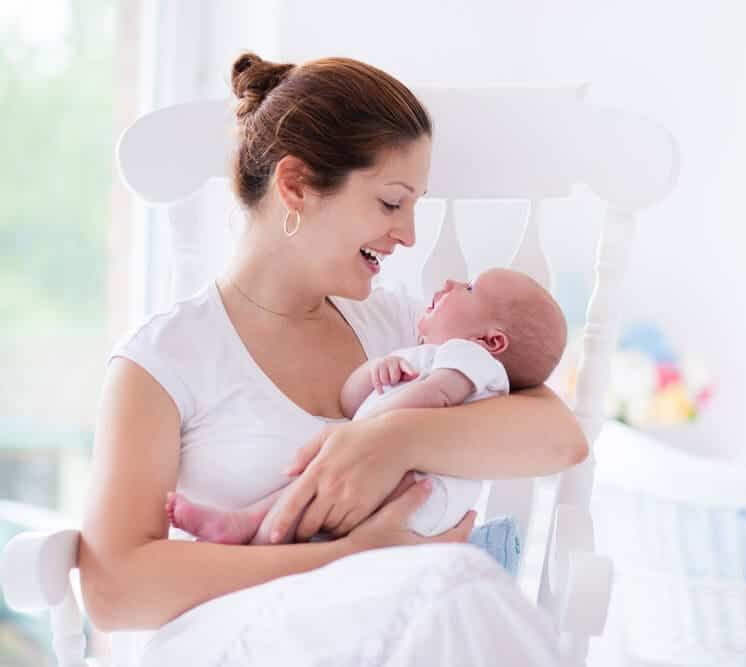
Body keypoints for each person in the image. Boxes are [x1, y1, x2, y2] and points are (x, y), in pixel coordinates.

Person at [78, 52, 586, 664]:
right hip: (243, 636)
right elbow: (115, 589)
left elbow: (559, 439)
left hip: (399, 626)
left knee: (458, 596)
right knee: (457, 590)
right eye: (392, 202)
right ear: (295, 185)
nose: (409, 235)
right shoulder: (163, 361)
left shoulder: (404, 325)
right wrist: (352, 555)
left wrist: (388, 442)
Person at [164, 268, 568, 577]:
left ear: (492, 341)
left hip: (422, 491)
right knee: (312, 485)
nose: (449, 282)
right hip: (400, 483)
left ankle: (248, 529)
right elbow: (350, 398)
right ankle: (245, 523)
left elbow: (439, 397)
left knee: (320, 484)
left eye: (469, 289)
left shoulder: (474, 362)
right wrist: (377, 371)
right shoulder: (425, 355)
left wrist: (375, 430)